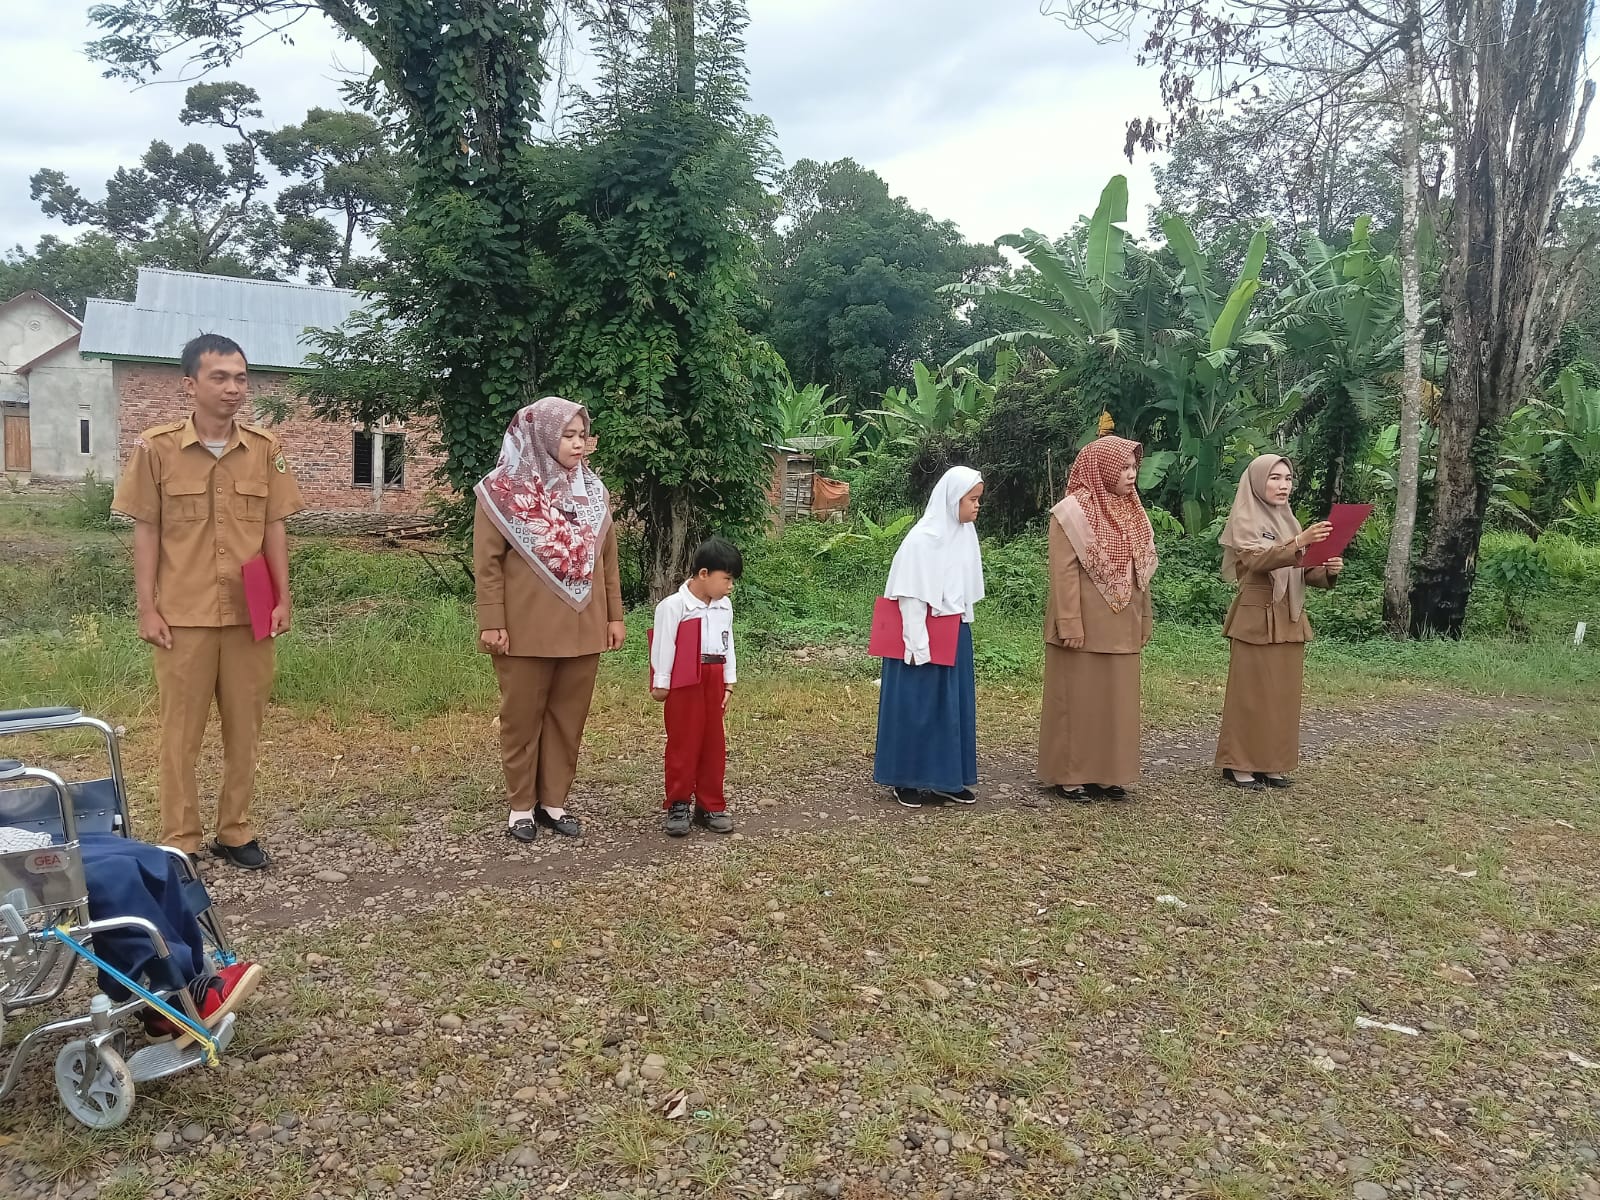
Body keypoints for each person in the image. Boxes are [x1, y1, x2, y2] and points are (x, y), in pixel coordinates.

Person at [111, 334, 304, 870]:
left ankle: (235, 829)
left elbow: (274, 527)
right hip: (184, 616)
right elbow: (146, 531)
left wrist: (284, 597)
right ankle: (181, 837)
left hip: (250, 614)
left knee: (246, 729)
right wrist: (148, 607)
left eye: (241, 377)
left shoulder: (265, 449)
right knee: (181, 733)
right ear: (190, 384)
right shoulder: (158, 449)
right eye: (220, 377)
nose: (233, 388)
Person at [474, 397, 626, 842]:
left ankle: (553, 802)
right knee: (521, 717)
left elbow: (608, 562)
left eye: (583, 436)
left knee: (568, 716)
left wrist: (614, 616)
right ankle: (521, 806)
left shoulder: (593, 492)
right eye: (569, 435)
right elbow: (487, 564)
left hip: (585, 622)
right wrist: (491, 620)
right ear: (541, 436)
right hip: (524, 627)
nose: (579, 445)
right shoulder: (502, 493)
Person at [0, 826, 263, 1039]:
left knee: (153, 857)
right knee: (112, 876)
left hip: (24, 837)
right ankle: (176, 996)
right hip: (16, 852)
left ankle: (175, 990)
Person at [1039, 435, 1157, 802]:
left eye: (1133, 466)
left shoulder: (1131, 509)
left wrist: (1145, 618)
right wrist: (1070, 624)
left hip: (1123, 623)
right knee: (1077, 699)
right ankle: (1070, 775)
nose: (1131, 474)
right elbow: (1063, 573)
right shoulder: (1071, 512)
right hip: (1085, 626)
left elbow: (1141, 572)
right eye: (1123, 466)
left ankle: (1108, 773)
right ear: (1102, 467)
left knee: (1116, 700)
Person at [1214, 455, 1341, 790]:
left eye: (1287, 478)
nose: (1283, 485)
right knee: (1251, 693)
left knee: (1281, 694)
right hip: (1256, 615)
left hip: (1289, 616)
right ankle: (1238, 764)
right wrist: (1299, 544)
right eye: (1274, 478)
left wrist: (1326, 570)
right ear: (1258, 482)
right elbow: (1257, 560)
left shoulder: (1290, 521)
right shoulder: (1245, 518)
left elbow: (1300, 571)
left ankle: (1271, 763)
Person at [873, 466, 985, 808]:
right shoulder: (922, 539)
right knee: (916, 705)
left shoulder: (965, 535)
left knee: (949, 707)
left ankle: (945, 778)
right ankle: (905, 778)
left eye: (979, 499)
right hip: (917, 635)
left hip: (953, 632)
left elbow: (962, 588)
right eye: (972, 499)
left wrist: (963, 621)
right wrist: (917, 643)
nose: (977, 506)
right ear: (953, 499)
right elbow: (909, 595)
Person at [651, 537, 743, 837]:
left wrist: (729, 678)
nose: (730, 586)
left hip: (714, 675)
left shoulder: (724, 606)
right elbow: (665, 645)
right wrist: (661, 681)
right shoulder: (674, 606)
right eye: (726, 579)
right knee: (684, 741)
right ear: (704, 574)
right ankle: (678, 802)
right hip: (685, 677)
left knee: (713, 742)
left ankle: (710, 803)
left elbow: (728, 642)